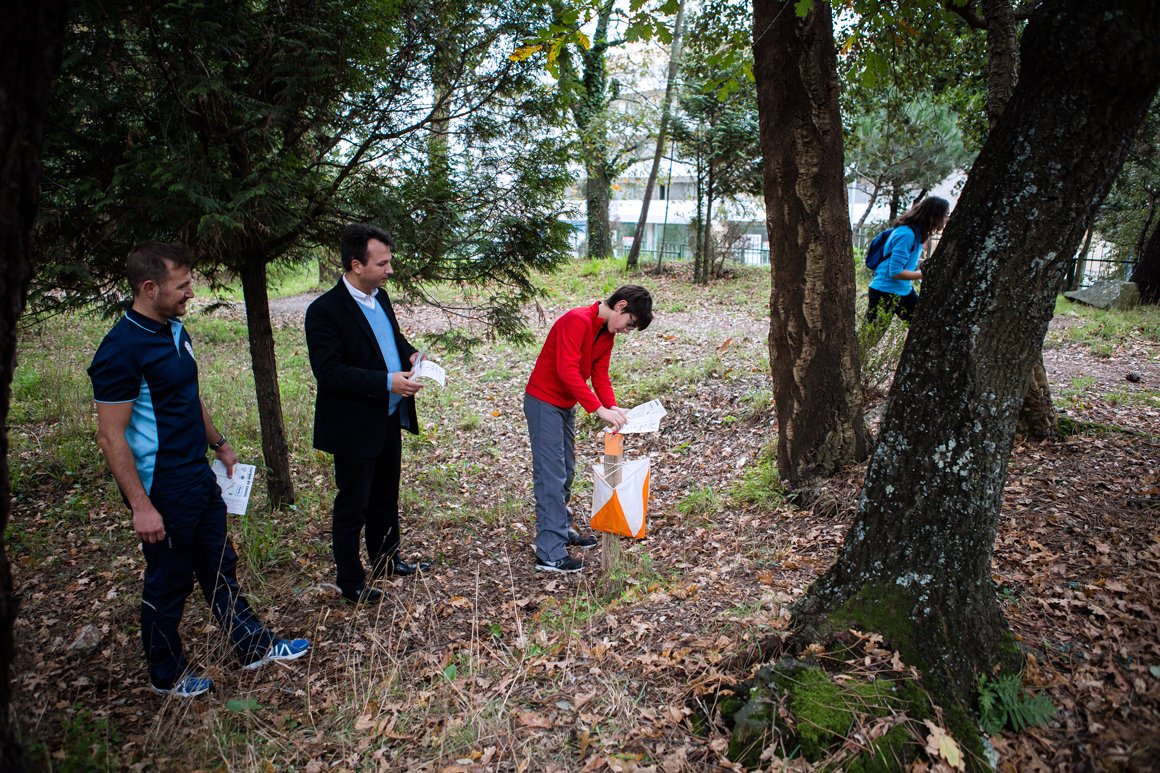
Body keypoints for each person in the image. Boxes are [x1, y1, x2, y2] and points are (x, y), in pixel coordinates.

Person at [88, 241, 309, 698]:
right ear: (149, 288)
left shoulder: (175, 330)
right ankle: (166, 675)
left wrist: (219, 444)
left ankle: (252, 645)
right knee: (169, 581)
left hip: (197, 474)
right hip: (162, 486)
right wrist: (141, 506)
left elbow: (187, 396)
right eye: (182, 285)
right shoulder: (121, 350)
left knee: (219, 564)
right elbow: (110, 436)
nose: (191, 293)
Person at [305, 223, 432, 605]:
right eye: (382, 264)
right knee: (353, 505)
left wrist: (410, 354)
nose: (389, 269)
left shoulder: (381, 298)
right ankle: (351, 580)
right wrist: (386, 382)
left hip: (387, 417)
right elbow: (329, 373)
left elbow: (391, 339)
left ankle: (388, 560)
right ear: (356, 265)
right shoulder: (324, 311)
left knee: (385, 497)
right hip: (353, 425)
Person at [524, 285, 653, 573]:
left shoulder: (606, 334)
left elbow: (600, 373)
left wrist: (612, 406)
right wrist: (598, 409)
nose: (627, 331)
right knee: (551, 475)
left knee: (567, 470)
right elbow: (567, 370)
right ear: (621, 306)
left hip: (565, 405)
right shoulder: (577, 320)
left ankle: (560, 527)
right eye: (630, 323)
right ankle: (550, 552)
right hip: (543, 402)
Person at [866, 195, 951, 325]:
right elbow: (895, 272)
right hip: (884, 291)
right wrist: (924, 274)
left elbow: (906, 261)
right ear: (934, 216)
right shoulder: (906, 234)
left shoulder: (915, 233)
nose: (947, 220)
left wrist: (923, 265)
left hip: (903, 290)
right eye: (945, 215)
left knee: (922, 325)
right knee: (872, 335)